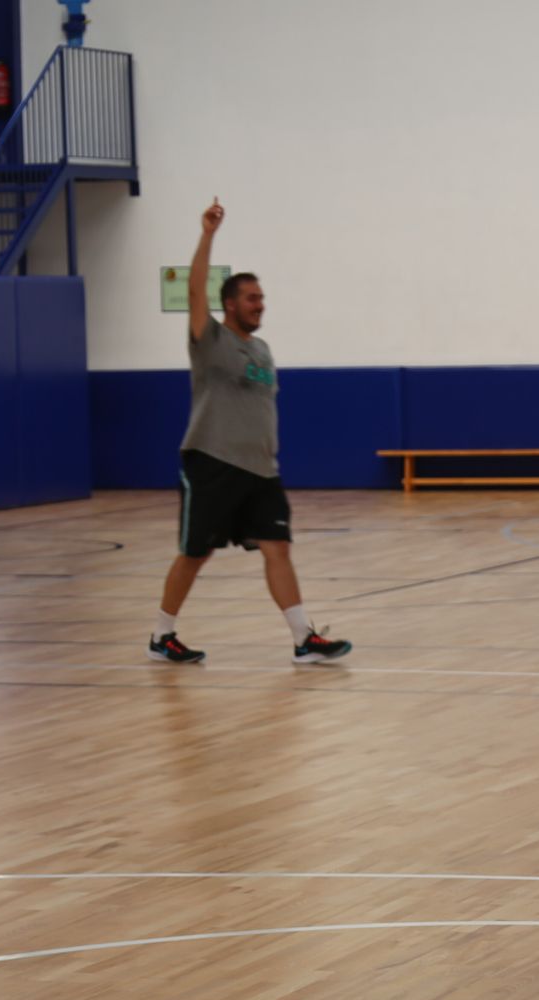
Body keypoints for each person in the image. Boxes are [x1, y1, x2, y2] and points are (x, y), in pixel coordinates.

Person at [148, 198, 352, 667]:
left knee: (277, 546)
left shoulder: (261, 349)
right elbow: (196, 292)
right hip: (213, 463)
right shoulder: (210, 341)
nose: (261, 304)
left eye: (262, 297)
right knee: (195, 554)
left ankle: (304, 638)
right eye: (252, 298)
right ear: (230, 304)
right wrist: (207, 235)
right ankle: (162, 634)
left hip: (261, 470)